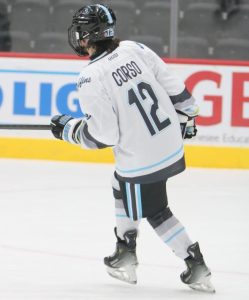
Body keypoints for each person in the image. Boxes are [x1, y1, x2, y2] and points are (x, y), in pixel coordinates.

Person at [50, 3, 215, 293]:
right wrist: (188, 116)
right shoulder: (134, 48)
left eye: (81, 32)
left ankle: (195, 263)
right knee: (120, 182)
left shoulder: (90, 77)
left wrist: (68, 130)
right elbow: (174, 87)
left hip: (142, 157)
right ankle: (125, 249)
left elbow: (104, 136)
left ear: (87, 35)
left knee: (156, 210)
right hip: (168, 142)